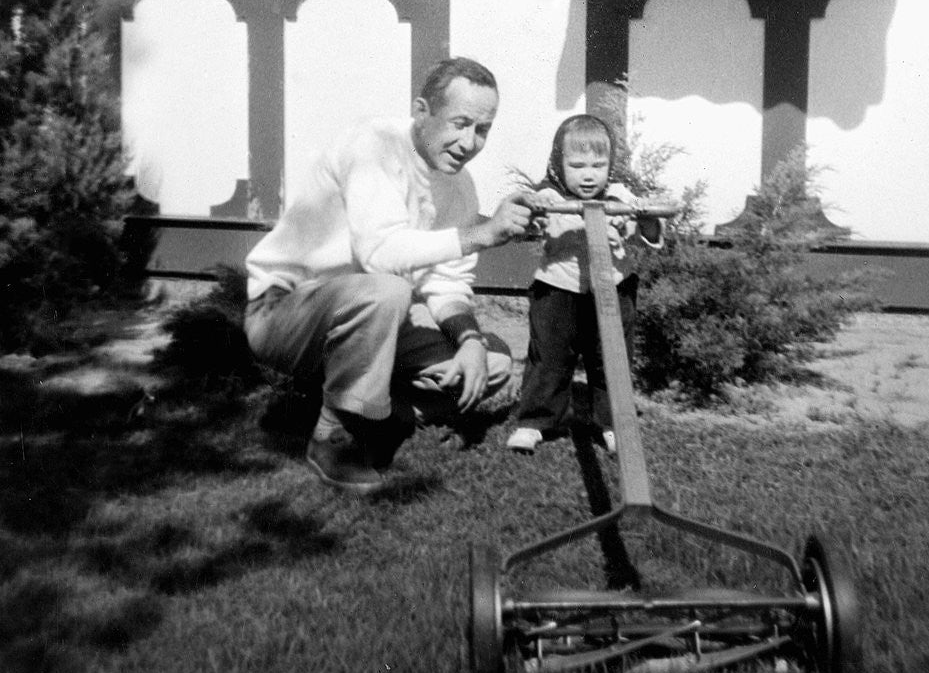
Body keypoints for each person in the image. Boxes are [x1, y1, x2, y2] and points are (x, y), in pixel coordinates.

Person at [244, 58, 532, 494]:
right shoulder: (374, 144)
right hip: (286, 311)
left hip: (372, 317)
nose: (469, 142)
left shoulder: (460, 185)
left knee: (490, 362)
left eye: (482, 129)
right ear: (422, 110)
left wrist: (469, 340)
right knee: (389, 290)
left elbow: (447, 282)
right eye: (460, 123)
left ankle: (381, 409)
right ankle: (333, 437)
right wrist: (482, 234)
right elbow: (379, 254)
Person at [506, 114, 663, 455]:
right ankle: (535, 421)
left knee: (611, 357)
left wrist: (645, 216)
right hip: (557, 288)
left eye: (598, 164)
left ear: (610, 165)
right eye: (577, 165)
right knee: (549, 357)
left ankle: (613, 423)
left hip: (613, 287)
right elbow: (526, 221)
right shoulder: (547, 195)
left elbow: (649, 235)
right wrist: (535, 210)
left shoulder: (621, 195)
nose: (589, 174)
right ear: (559, 165)